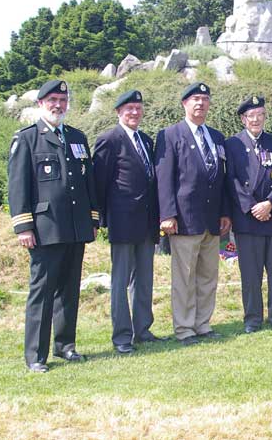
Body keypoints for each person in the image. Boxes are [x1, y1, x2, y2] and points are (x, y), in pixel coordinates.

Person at [7, 79, 99, 372]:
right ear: (40, 104)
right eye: (52, 101)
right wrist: (23, 227)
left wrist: (93, 218)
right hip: (46, 228)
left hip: (75, 226)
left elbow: (88, 183)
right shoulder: (27, 139)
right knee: (42, 292)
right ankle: (35, 355)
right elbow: (18, 187)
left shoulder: (77, 137)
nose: (58, 105)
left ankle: (65, 346)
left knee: (69, 290)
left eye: (62, 100)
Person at [155, 82, 231, 345]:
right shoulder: (170, 135)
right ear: (184, 104)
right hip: (184, 220)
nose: (200, 103)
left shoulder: (217, 137)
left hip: (212, 220)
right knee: (184, 278)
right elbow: (164, 179)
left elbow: (221, 180)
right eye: (194, 99)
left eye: (204, 99)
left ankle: (203, 324)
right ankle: (184, 328)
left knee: (208, 276)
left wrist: (224, 212)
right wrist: (167, 214)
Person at [93, 90, 164, 354]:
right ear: (118, 112)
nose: (134, 113)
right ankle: (122, 336)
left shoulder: (145, 140)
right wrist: (99, 218)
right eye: (128, 109)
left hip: (146, 222)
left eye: (137, 108)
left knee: (144, 279)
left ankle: (143, 330)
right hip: (122, 222)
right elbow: (99, 183)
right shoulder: (109, 139)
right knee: (121, 281)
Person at [225, 96, 272, 333]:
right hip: (247, 219)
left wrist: (270, 204)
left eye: (260, 115)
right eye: (250, 116)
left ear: (265, 117)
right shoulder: (231, 144)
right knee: (250, 275)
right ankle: (252, 319)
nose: (256, 119)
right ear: (243, 119)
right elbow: (231, 180)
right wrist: (253, 206)